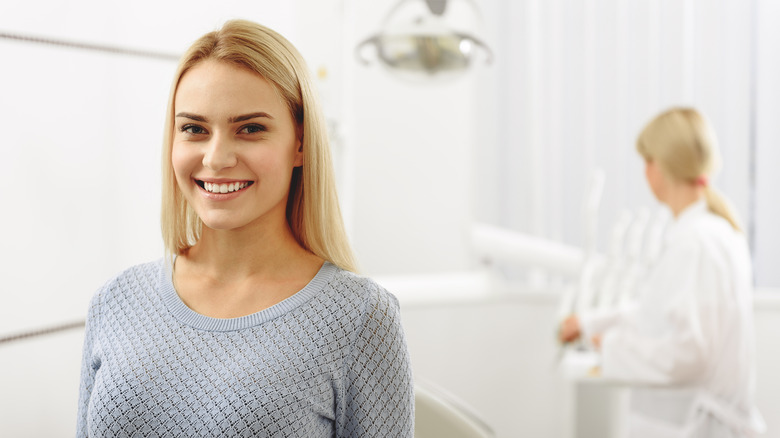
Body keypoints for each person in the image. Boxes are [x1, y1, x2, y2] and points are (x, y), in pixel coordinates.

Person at [76, 20, 414, 437]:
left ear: (301, 143)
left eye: (250, 129)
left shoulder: (360, 317)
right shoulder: (115, 303)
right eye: (194, 129)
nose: (216, 159)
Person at [559, 107, 764, 437]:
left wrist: (613, 346)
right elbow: (656, 317)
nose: (645, 173)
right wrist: (590, 325)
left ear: (660, 166)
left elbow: (690, 354)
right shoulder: (715, 232)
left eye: (647, 161)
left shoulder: (695, 243)